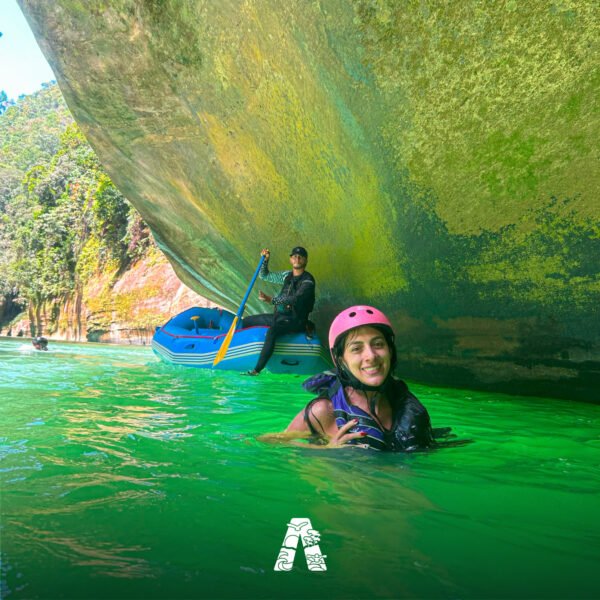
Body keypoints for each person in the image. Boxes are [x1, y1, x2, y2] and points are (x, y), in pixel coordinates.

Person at [284, 305, 437, 451]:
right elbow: (272, 442)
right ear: (341, 360)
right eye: (356, 348)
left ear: (390, 351)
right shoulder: (323, 411)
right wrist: (326, 449)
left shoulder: (404, 404)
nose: (371, 356)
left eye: (378, 344)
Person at [242, 246, 316, 375]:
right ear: (291, 260)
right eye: (294, 256)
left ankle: (256, 370)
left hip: (296, 320)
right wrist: (265, 261)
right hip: (280, 316)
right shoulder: (286, 275)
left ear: (305, 261)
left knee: (272, 332)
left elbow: (295, 299)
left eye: (300, 257)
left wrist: (272, 300)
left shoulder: (308, 281)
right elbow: (264, 275)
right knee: (247, 321)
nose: (297, 258)